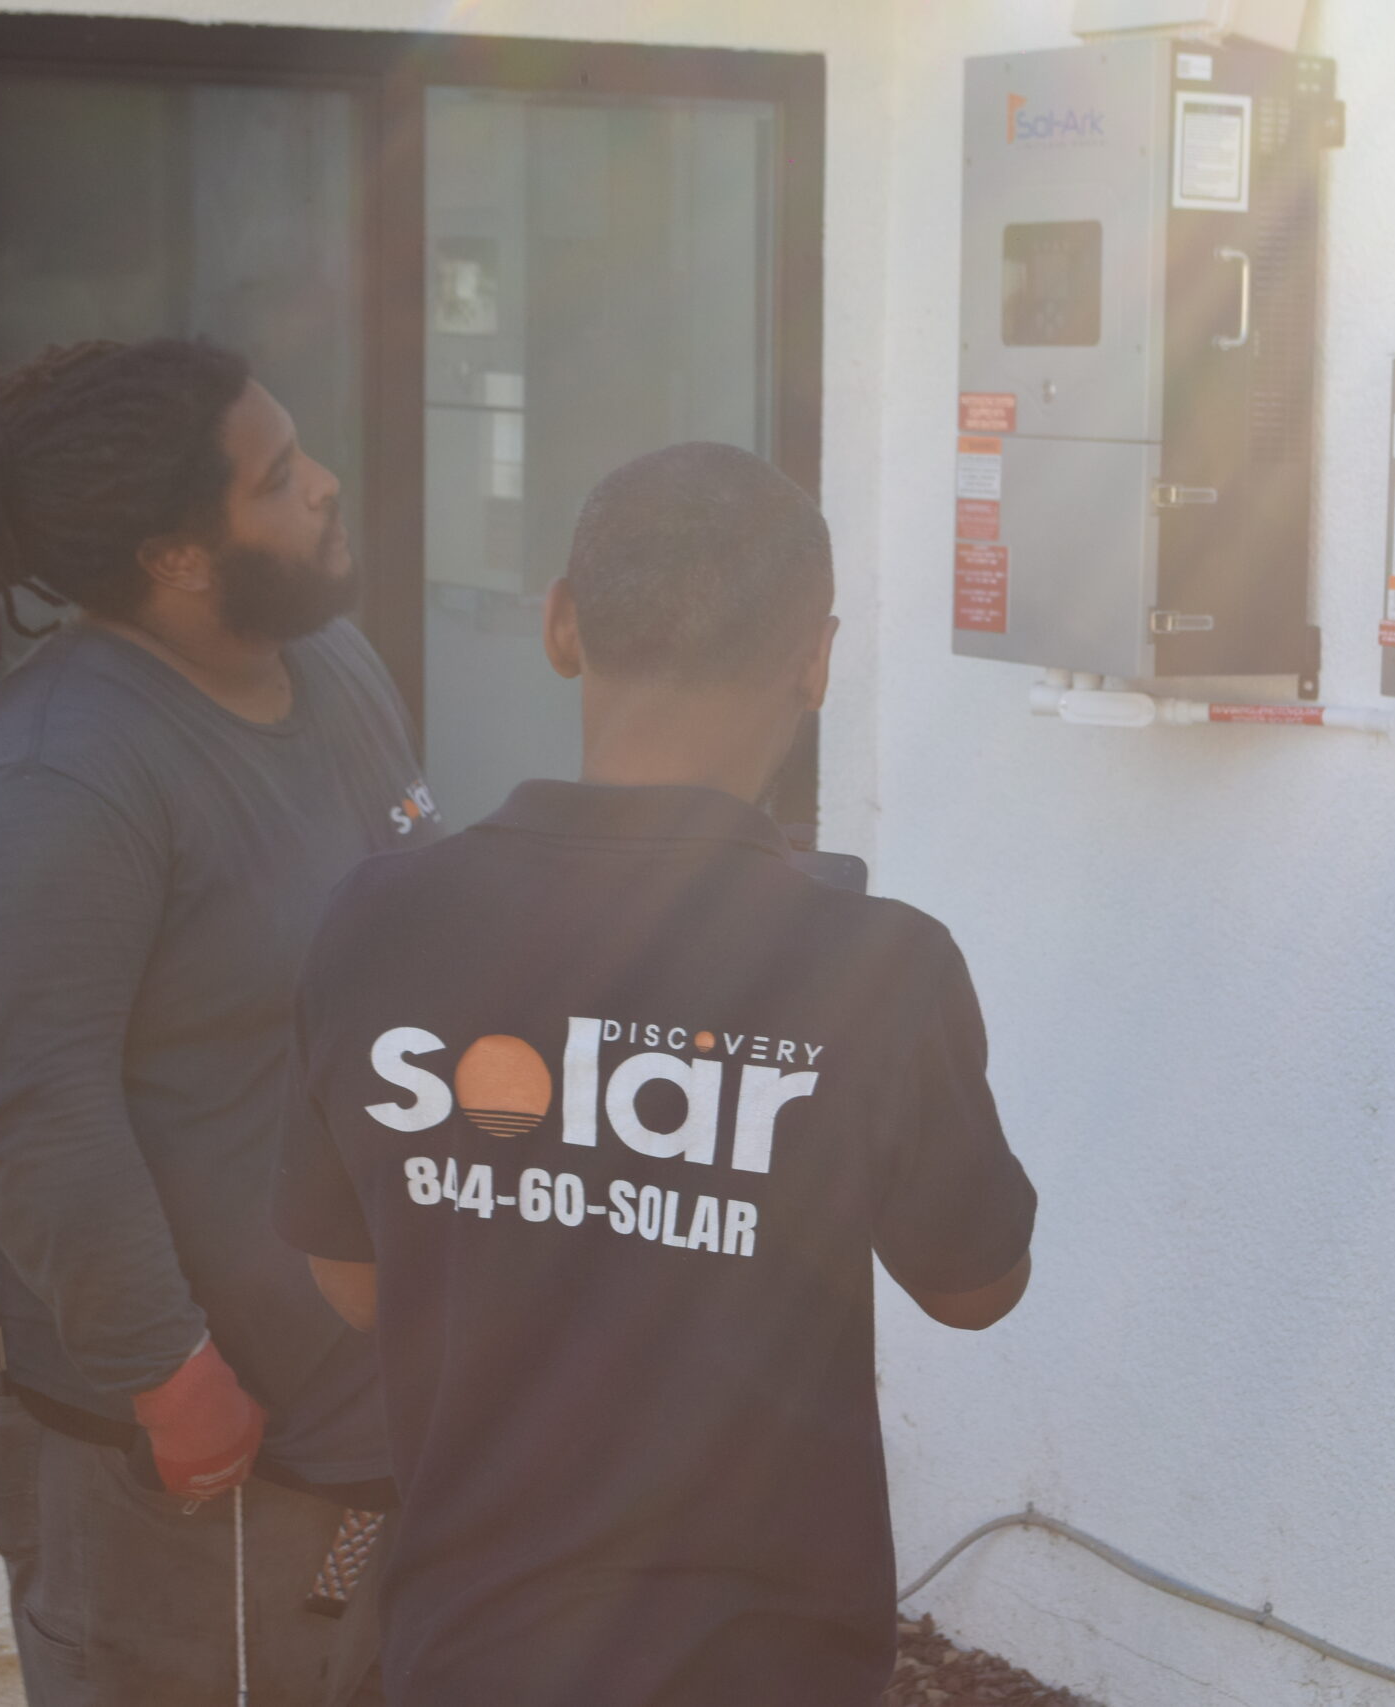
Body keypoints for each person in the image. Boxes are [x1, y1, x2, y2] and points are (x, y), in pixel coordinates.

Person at [273, 441, 1037, 1707]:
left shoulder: (380, 920)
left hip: (473, 1643)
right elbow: (975, 1288)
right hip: (765, 1661)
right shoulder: (881, 968)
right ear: (816, 661)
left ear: (561, 624)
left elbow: (353, 1280)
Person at [0, 338, 435, 1705]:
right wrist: (166, 1375)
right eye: (279, 477)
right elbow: (34, 1121)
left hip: (342, 1377)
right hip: (157, 1418)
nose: (326, 485)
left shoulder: (334, 666)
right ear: (176, 554)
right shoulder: (49, 785)